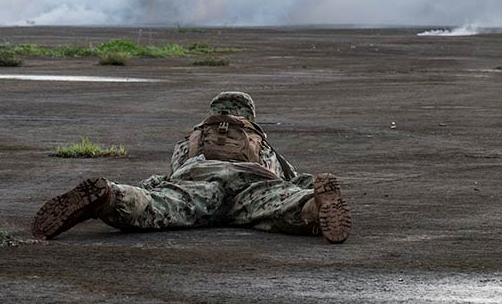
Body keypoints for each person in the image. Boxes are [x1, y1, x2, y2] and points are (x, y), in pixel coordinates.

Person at [31, 91, 352, 243]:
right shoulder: (260, 142)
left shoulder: (193, 140)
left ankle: (111, 197)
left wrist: (143, 187)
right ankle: (312, 208)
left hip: (198, 179)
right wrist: (311, 189)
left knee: (160, 206)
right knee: (282, 206)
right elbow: (290, 176)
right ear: (249, 117)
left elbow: (172, 175)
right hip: (253, 183)